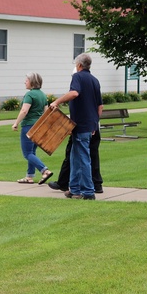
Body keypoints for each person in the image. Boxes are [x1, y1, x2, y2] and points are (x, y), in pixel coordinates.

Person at [50, 53, 102, 200]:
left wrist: (57, 102)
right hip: (89, 125)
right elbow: (100, 106)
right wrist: (95, 123)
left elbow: (74, 93)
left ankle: (88, 191)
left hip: (81, 125)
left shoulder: (77, 77)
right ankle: (74, 189)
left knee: (84, 158)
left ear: (79, 65)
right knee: (74, 157)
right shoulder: (95, 80)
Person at [11, 72, 53, 185]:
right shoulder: (43, 95)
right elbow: (46, 113)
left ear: (32, 82)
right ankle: (29, 176)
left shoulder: (29, 95)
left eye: (26, 80)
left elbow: (24, 111)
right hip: (38, 127)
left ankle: (45, 170)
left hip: (28, 126)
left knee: (27, 153)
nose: (25, 82)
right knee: (32, 152)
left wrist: (16, 123)